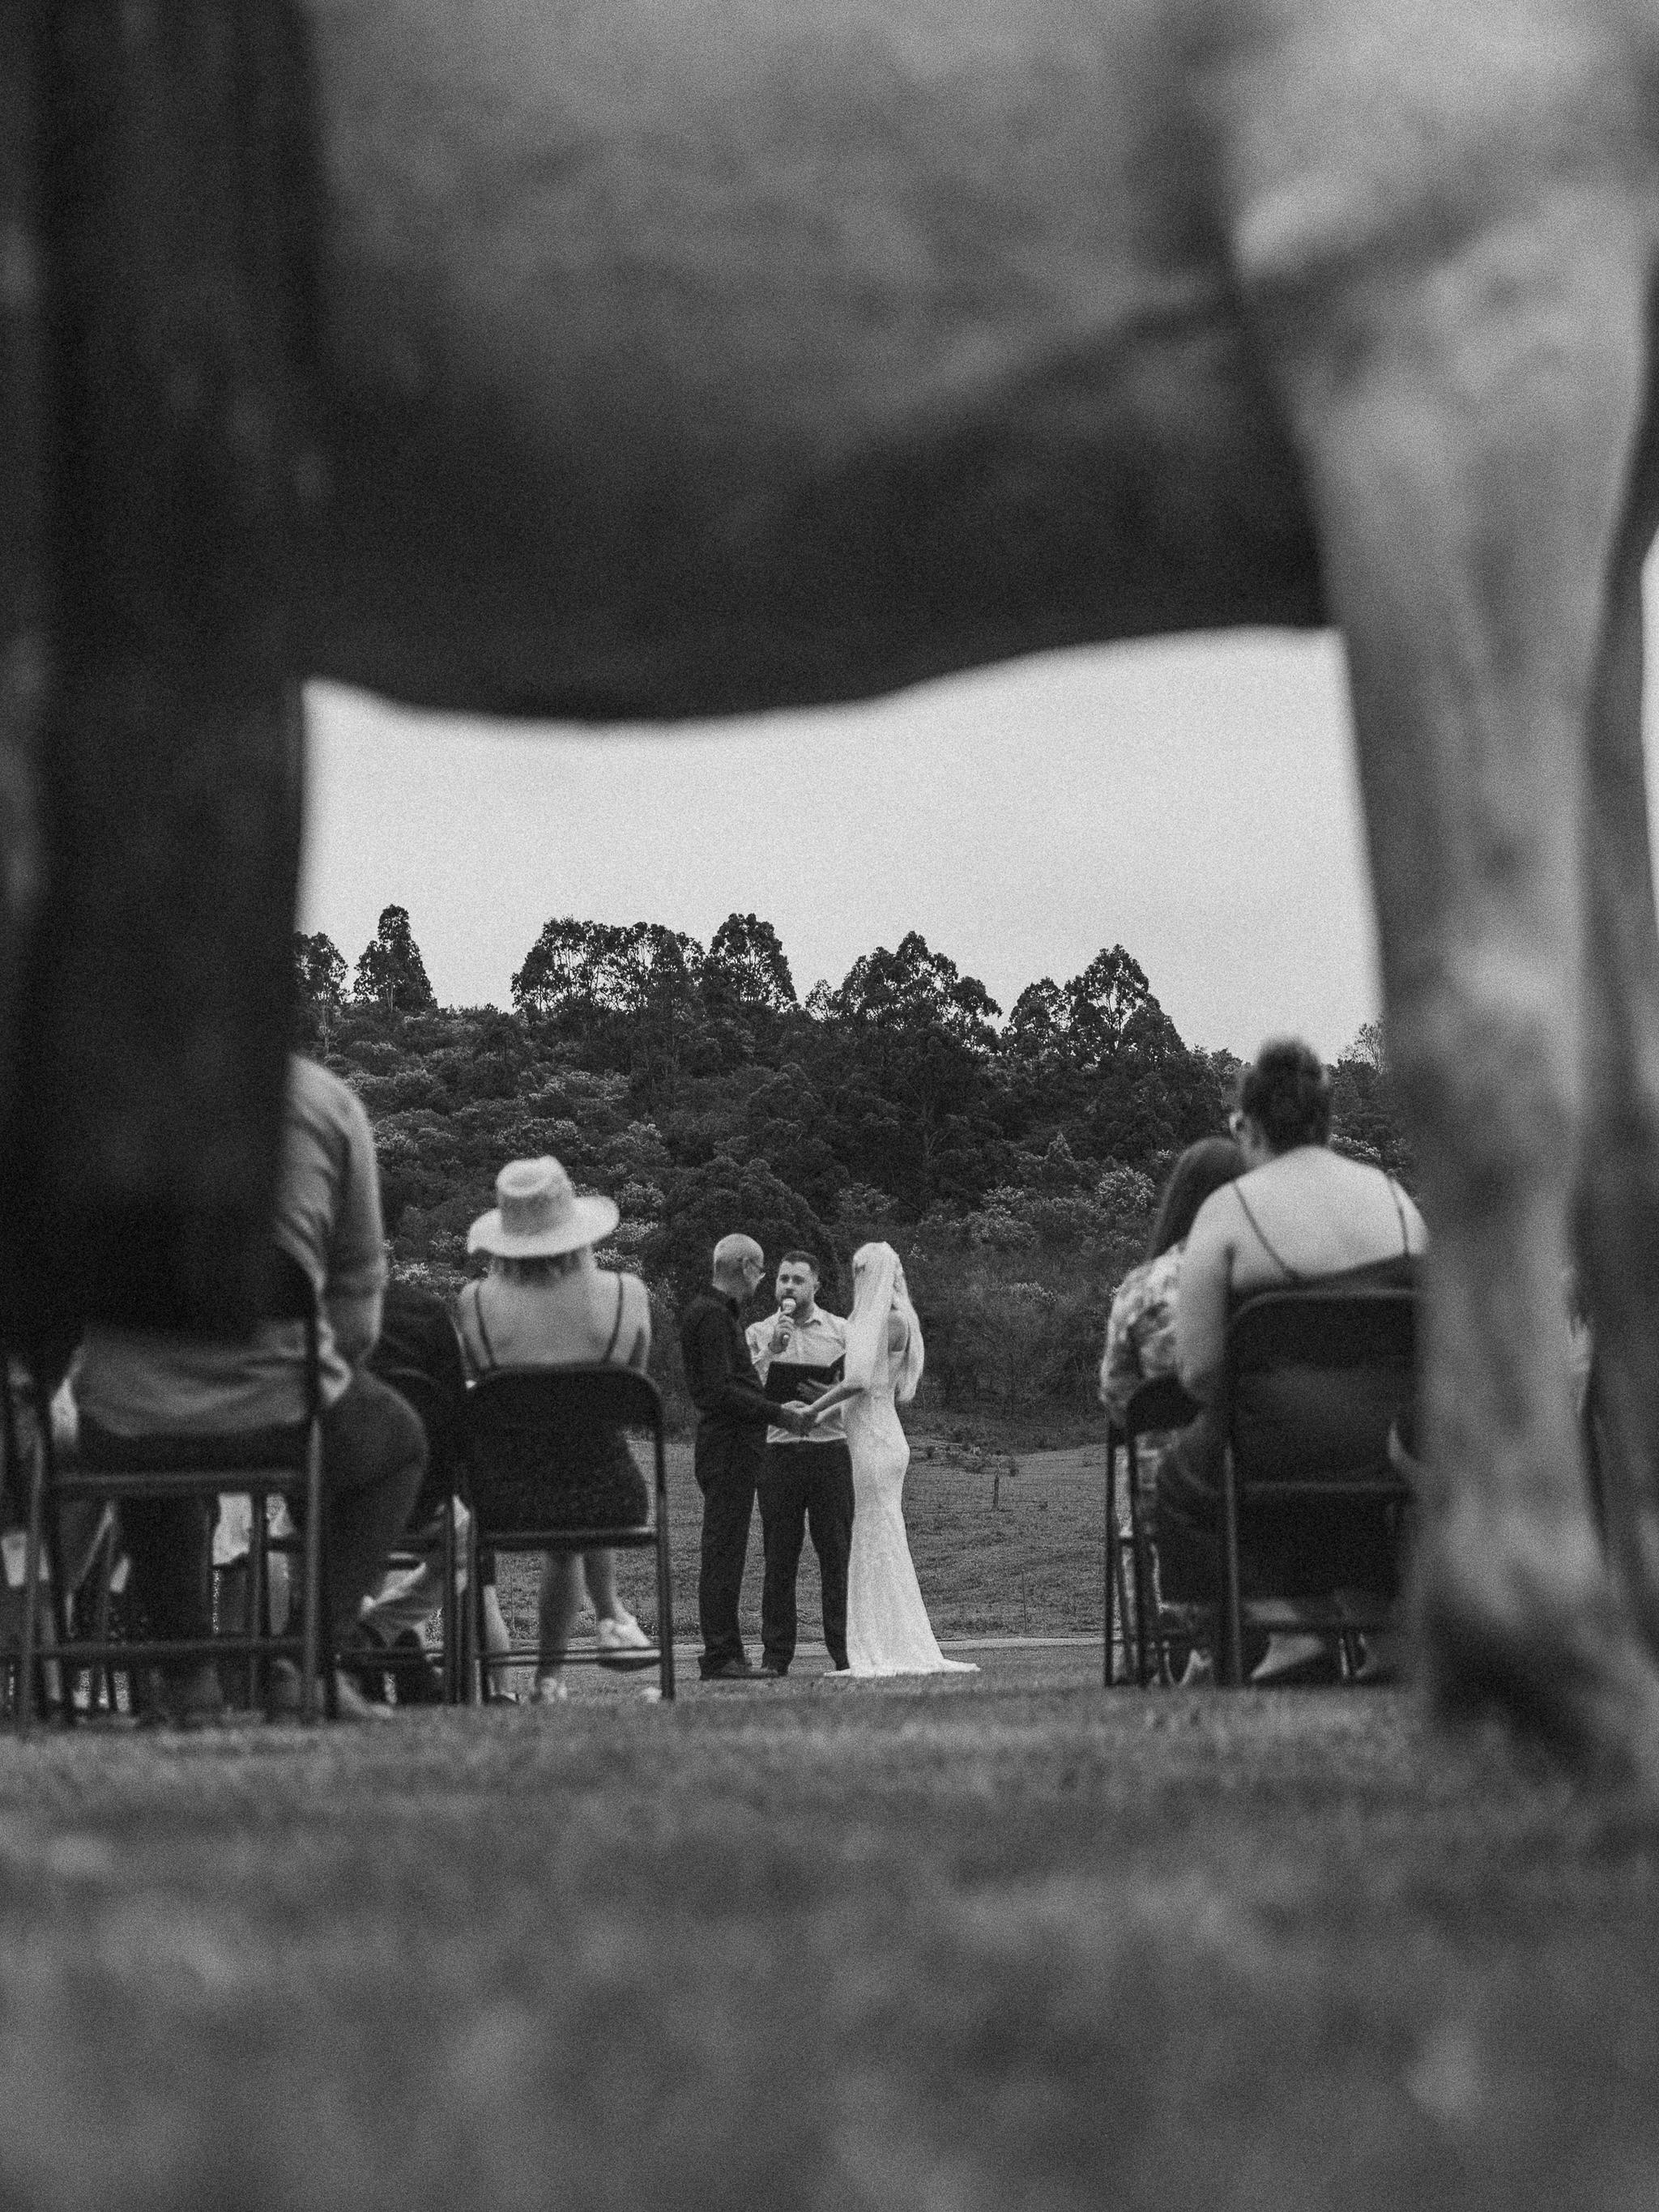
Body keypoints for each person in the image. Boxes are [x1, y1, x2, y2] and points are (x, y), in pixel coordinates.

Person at [74, 1052, 427, 1724]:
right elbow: (357, 1324)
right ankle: (305, 1658)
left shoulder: (92, 1102)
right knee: (397, 1442)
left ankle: (187, 1680)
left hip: (124, 1419)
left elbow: (42, 1295)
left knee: (148, 1420)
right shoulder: (327, 1104)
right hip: (278, 1407)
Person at [1166, 1038, 1427, 1684]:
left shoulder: (1229, 1209)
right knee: (1347, 1463)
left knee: (1187, 1473)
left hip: (1271, 1448)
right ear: (1327, 1122)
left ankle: (1293, 1628)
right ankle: (1385, 1637)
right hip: (1392, 1446)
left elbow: (1196, 1369)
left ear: (1247, 1127)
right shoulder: (1394, 1200)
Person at [458, 1157, 655, 1705]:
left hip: (508, 1498)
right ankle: (600, 1626)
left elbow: (478, 1393)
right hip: (611, 1496)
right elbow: (630, 1393)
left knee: (561, 1469)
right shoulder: (626, 1294)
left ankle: (576, 1652)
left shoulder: (474, 1304)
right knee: (584, 1454)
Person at [1098, 1136, 1247, 1683]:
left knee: (1132, 1456)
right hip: (1257, 1462)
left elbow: (1116, 1396)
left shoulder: (1143, 1286)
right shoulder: (1260, 1276)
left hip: (1161, 1476)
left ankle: (1144, 1648)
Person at [800, 1242, 975, 1677]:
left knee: (877, 1535)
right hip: (875, 1435)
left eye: (860, 1273)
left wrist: (813, 1410)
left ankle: (885, 1642)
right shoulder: (893, 1322)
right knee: (878, 1536)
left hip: (876, 1440)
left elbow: (858, 1381)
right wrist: (822, 1402)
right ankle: (884, 1638)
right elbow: (865, 1383)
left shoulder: (886, 1321)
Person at [679, 1234, 812, 1681]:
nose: (761, 1280)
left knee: (726, 1549)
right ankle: (720, 1654)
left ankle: (726, 1651)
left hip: (730, 1446)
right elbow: (721, 1391)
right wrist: (778, 1413)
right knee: (723, 1551)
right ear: (742, 1266)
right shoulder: (713, 1317)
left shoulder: (713, 1314)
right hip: (728, 1446)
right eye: (759, 1270)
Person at [746, 1251, 852, 1676]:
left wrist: (819, 1408)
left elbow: (854, 1388)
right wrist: (773, 1350)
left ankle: (845, 1651)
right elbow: (746, 1390)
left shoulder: (842, 1331)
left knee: (836, 1554)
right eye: (783, 1280)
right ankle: (776, 1655)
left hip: (830, 1451)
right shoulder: (759, 1331)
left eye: (797, 1281)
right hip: (779, 1452)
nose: (788, 1287)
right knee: (779, 1556)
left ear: (815, 1287)